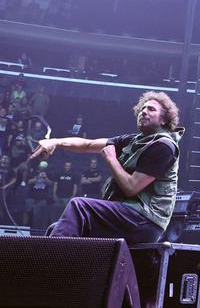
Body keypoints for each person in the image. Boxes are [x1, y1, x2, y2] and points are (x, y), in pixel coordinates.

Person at [32, 91, 182, 244]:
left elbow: (131, 187)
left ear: (164, 120)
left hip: (145, 221)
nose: (144, 111)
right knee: (56, 228)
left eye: (151, 109)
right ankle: (69, 265)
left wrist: (111, 159)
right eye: (142, 108)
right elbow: (88, 145)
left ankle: (48, 262)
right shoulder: (133, 141)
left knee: (79, 206)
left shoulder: (163, 146)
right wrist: (55, 142)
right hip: (127, 216)